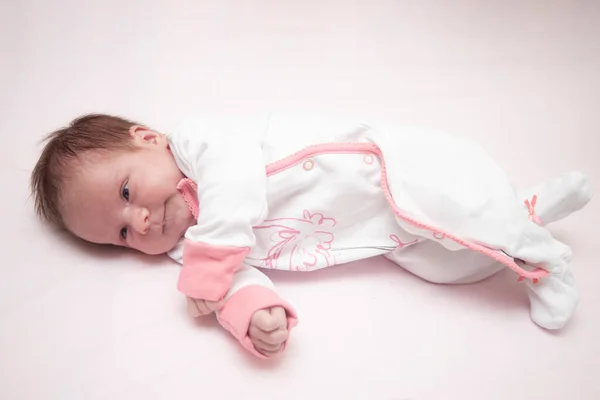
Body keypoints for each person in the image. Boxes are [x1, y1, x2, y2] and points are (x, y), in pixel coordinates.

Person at [30, 112, 593, 359]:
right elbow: (235, 276)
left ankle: (545, 261)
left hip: (391, 168)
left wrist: (212, 259)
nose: (143, 223)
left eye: (127, 195)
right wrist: (251, 311)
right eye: (123, 235)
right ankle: (528, 214)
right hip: (378, 228)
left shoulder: (201, 142)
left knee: (455, 213)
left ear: (147, 138)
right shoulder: (190, 247)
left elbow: (236, 188)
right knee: (450, 264)